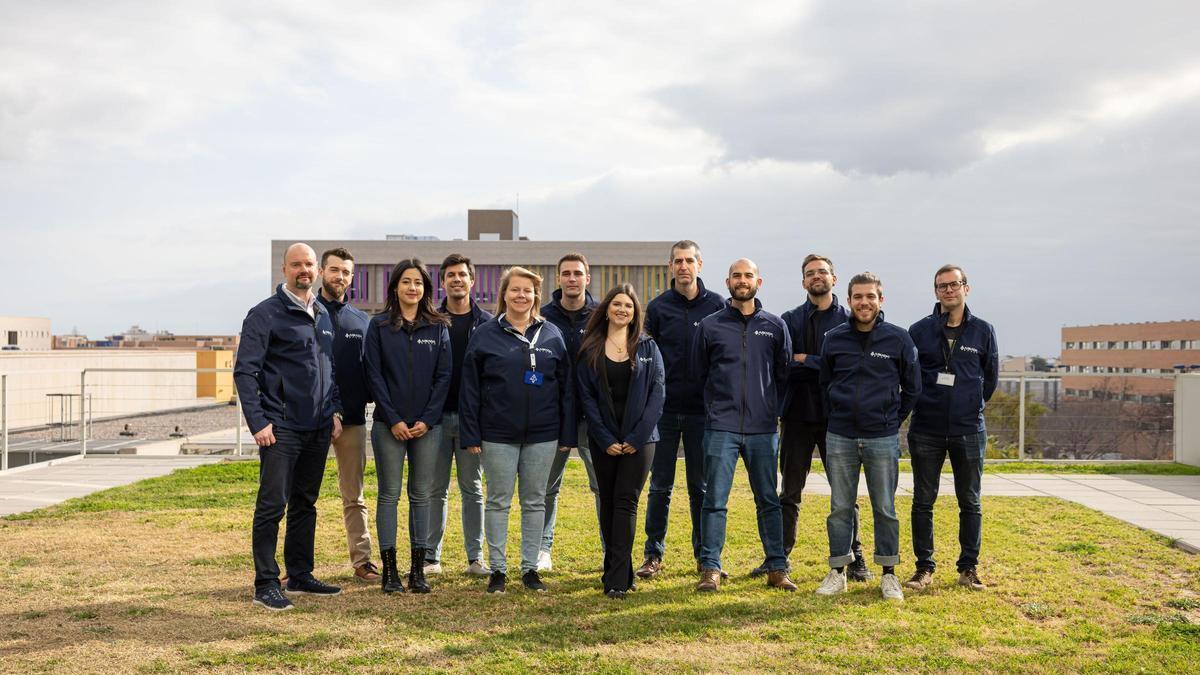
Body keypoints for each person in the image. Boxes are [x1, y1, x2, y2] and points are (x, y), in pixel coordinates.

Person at [234, 242, 344, 612]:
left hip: (317, 427)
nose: (304, 270)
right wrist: (258, 421)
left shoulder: (323, 314)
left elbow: (330, 368)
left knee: (305, 503)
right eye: (296, 264)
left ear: (316, 270)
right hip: (280, 428)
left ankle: (299, 574)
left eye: (309, 264)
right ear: (284, 270)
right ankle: (266, 582)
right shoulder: (265, 314)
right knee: (272, 505)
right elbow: (245, 372)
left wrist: (335, 411)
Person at [459, 266, 577, 594]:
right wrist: (470, 434)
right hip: (497, 433)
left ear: (536, 296)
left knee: (535, 501)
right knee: (498, 501)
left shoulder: (552, 333)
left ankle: (529, 570)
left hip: (544, 433)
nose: (521, 295)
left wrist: (567, 435)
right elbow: (470, 389)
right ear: (504, 294)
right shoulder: (485, 334)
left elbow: (566, 389)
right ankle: (498, 570)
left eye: (528, 290)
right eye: (515, 290)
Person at [693, 259, 798, 592]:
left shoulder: (775, 325)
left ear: (759, 282)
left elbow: (783, 374)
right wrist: (714, 409)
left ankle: (777, 568)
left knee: (768, 499)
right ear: (727, 282)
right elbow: (699, 374)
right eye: (736, 276)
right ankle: (710, 568)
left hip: (762, 428)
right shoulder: (709, 326)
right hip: (721, 426)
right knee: (714, 499)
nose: (742, 280)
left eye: (748, 275)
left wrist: (771, 409)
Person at [816, 272, 920, 602]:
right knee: (840, 507)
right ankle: (838, 572)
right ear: (849, 300)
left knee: (885, 507)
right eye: (858, 297)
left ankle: (889, 574)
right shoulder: (834, 338)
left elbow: (913, 389)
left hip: (882, 437)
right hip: (841, 436)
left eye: (870, 296)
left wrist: (891, 419)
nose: (864, 302)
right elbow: (824, 384)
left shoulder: (899, 339)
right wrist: (837, 415)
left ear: (881, 300)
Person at [764, 254, 869, 581]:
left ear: (834, 279)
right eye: (810, 274)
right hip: (796, 416)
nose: (816, 277)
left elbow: (849, 365)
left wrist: (807, 360)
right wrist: (821, 363)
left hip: (837, 418)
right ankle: (779, 560)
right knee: (790, 492)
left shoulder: (849, 320)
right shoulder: (788, 320)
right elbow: (783, 365)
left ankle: (855, 559)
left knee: (844, 494)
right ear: (803, 282)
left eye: (822, 272)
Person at [905, 265, 998, 592]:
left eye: (954, 284)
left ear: (966, 289)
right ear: (936, 292)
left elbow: (991, 379)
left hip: (968, 428)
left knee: (970, 500)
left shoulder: (983, 331)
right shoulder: (918, 331)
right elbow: (909, 375)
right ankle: (924, 568)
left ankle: (968, 567)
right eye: (942, 286)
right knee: (923, 501)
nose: (948, 290)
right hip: (927, 428)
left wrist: (969, 403)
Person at [636, 240, 725, 580]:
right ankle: (653, 554)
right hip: (665, 412)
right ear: (670, 267)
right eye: (678, 261)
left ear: (700, 265)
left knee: (700, 488)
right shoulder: (658, 309)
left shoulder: (718, 305)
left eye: (689, 260)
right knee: (660, 487)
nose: (683, 266)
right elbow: (647, 360)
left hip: (705, 413)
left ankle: (705, 557)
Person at [364, 258, 452, 594]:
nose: (412, 288)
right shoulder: (380, 326)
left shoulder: (438, 326)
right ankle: (390, 573)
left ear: (426, 289)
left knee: (422, 496)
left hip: (428, 427)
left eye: (418, 282)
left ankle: (418, 571)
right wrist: (394, 418)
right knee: (389, 495)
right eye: (406, 282)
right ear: (395, 287)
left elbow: (444, 377)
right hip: (390, 425)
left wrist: (427, 420)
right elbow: (374, 375)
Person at [576, 284, 665, 598]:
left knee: (626, 502)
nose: (622, 310)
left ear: (635, 312)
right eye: (617, 304)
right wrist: (603, 437)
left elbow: (658, 394)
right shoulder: (591, 347)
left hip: (640, 442)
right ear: (607, 309)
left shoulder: (647, 346)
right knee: (608, 503)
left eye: (628, 305)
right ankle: (620, 571)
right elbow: (585, 397)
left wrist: (636, 438)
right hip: (604, 441)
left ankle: (615, 580)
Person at [424, 253, 493, 577]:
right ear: (442, 281)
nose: (456, 279)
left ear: (472, 280)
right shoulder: (430, 320)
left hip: (471, 421)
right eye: (450, 275)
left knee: (472, 489)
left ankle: (475, 558)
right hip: (435, 419)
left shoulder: (489, 323)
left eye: (462, 274)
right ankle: (431, 558)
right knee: (435, 489)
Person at [315, 247, 380, 583]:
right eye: (334, 270)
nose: (339, 276)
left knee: (354, 494)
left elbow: (370, 371)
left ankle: (363, 560)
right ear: (321, 272)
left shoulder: (361, 321)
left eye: (345, 272)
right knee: (300, 494)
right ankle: (298, 566)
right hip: (309, 418)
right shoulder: (306, 313)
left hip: (352, 420)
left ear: (351, 278)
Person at [539, 252, 601, 571]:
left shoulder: (601, 315)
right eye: (566, 273)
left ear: (587, 278)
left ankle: (609, 550)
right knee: (547, 486)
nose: (572, 278)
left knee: (602, 486)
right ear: (558, 278)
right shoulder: (542, 316)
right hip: (554, 413)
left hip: (594, 415)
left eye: (578, 273)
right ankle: (542, 550)